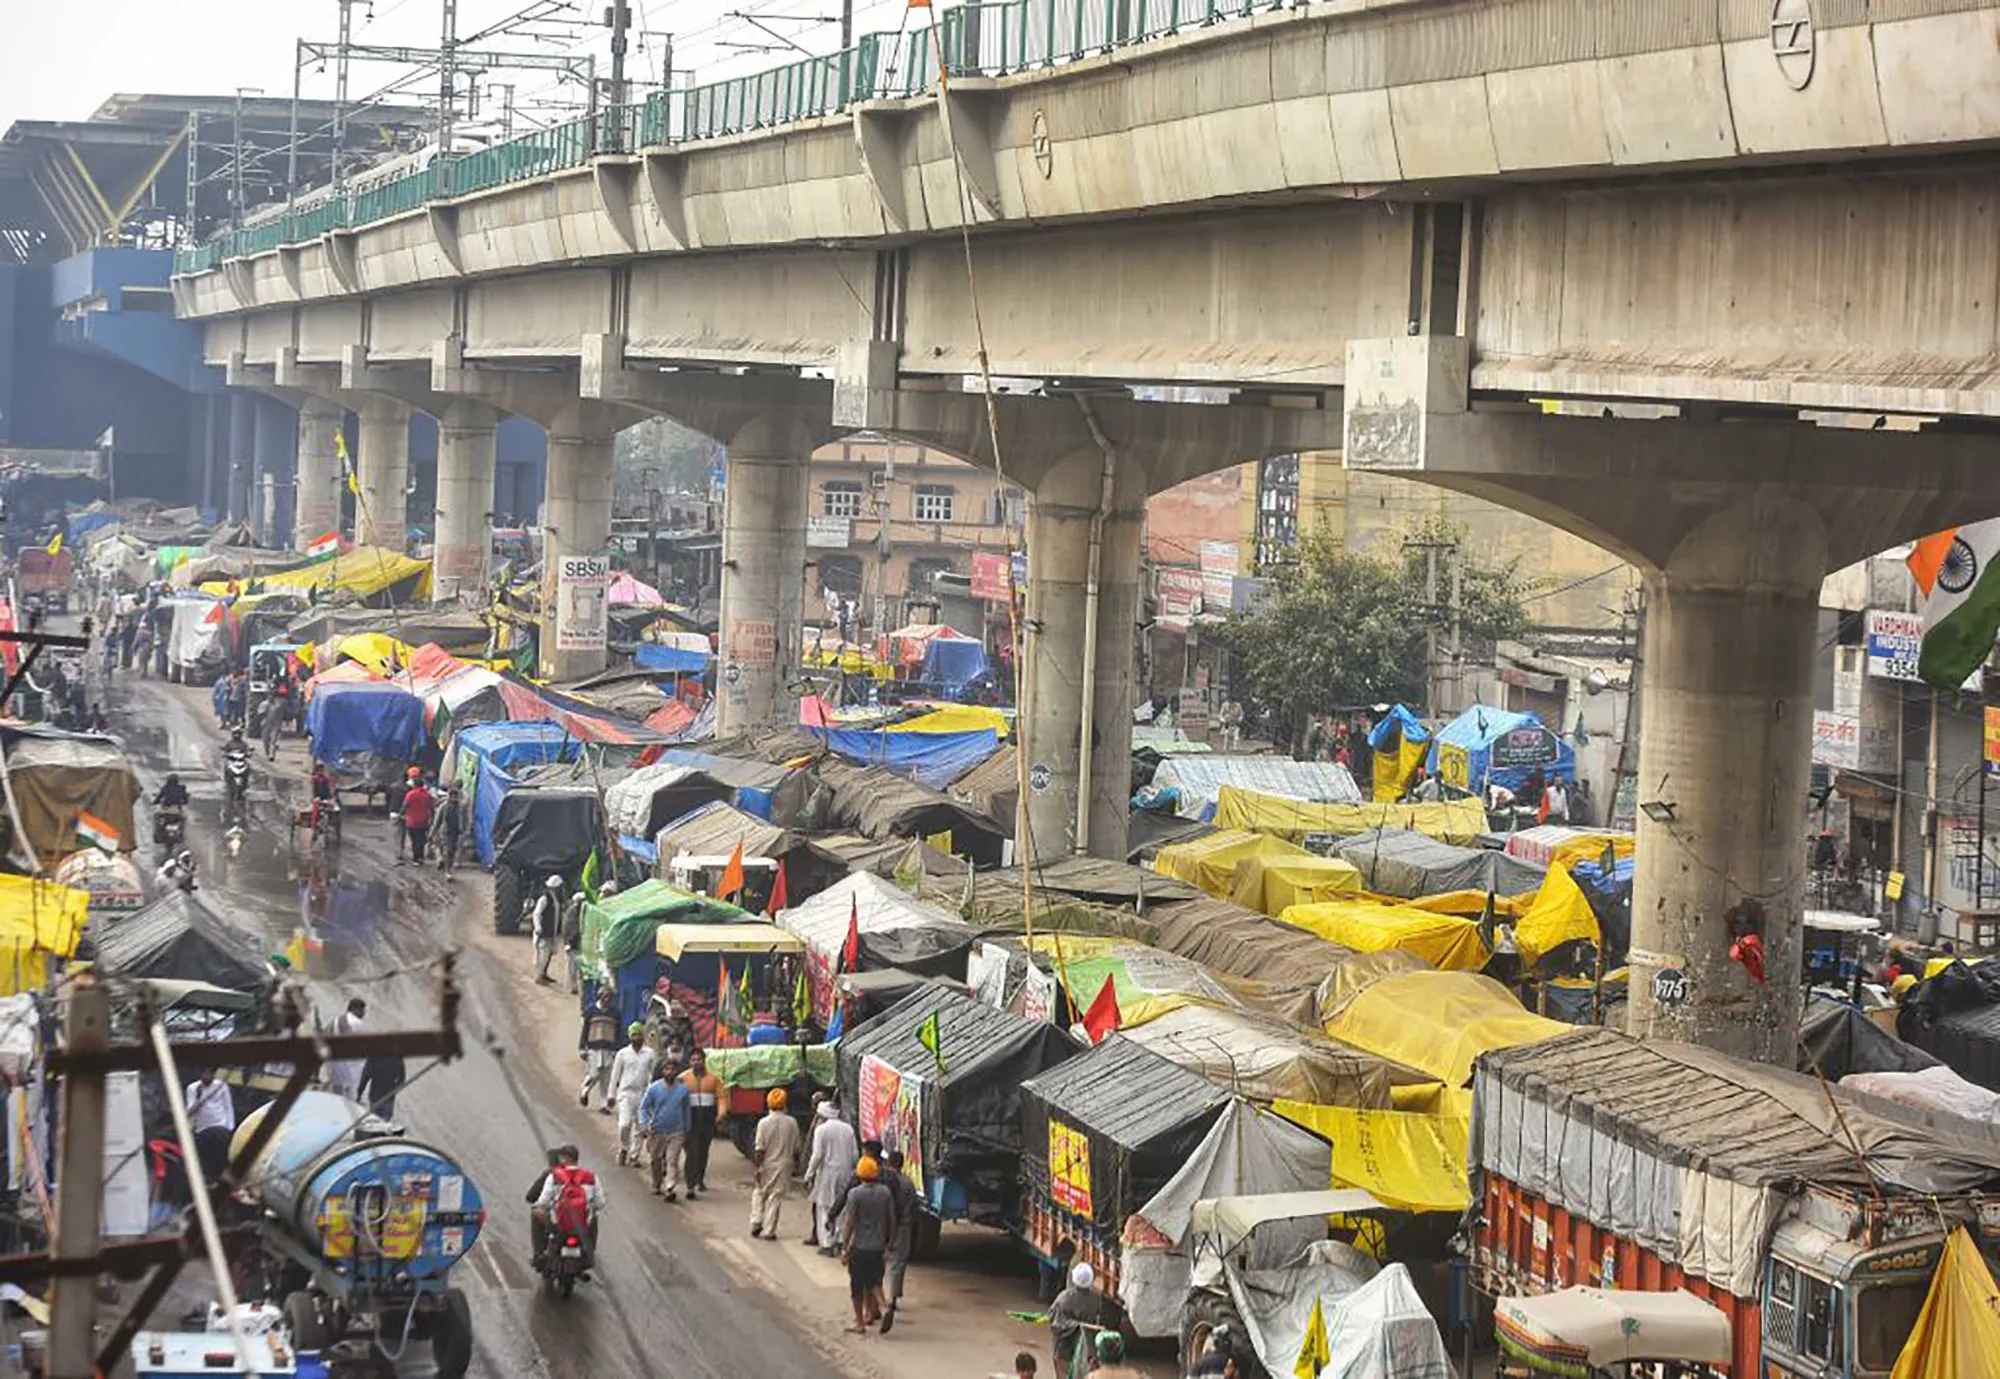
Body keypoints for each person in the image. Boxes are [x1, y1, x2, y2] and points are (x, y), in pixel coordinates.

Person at [840, 1155, 897, 1335]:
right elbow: (892, 1220)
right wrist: (889, 1245)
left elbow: (849, 1222)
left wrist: (844, 1246)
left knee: (857, 1286)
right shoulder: (885, 1193)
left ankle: (859, 1323)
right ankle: (883, 1305)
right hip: (878, 1248)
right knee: (874, 1283)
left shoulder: (855, 1194)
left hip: (859, 1248)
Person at [530, 1144, 602, 1269]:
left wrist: (541, 1206)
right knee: (594, 1217)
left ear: (564, 1159)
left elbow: (543, 1202)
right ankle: (590, 1254)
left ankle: (538, 1254)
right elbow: (600, 1203)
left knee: (535, 1214)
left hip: (558, 1223)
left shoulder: (554, 1176)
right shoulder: (591, 1177)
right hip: (581, 1224)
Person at [805, 1100, 859, 1255]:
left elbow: (817, 1155)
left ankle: (827, 1244)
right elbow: (855, 1154)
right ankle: (840, 1240)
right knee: (841, 1207)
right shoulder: (848, 1129)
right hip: (846, 1172)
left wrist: (809, 1174)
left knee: (824, 1207)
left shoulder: (821, 1130)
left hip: (827, 1173)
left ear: (822, 1115)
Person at [749, 1087, 802, 1240]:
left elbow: (759, 1149)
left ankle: (756, 1220)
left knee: (759, 1192)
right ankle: (769, 1231)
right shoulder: (792, 1122)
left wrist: (757, 1167)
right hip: (785, 1165)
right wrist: (797, 1165)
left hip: (766, 1163)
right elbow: (797, 1147)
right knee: (775, 1197)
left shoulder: (763, 1123)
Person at [637, 1063, 692, 1201]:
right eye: (667, 1069)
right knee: (655, 1159)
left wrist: (687, 1128)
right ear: (662, 1071)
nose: (670, 1072)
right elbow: (643, 1108)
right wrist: (644, 1124)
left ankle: (670, 1187)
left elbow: (686, 1110)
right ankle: (657, 1183)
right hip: (657, 1130)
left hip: (677, 1131)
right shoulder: (654, 1088)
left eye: (673, 1069)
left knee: (672, 1160)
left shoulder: (683, 1090)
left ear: (677, 1071)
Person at [880, 1147, 918, 1331]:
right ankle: (893, 1297)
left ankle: (876, 1297)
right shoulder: (909, 1183)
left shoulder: (884, 1181)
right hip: (903, 1226)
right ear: (902, 1165)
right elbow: (913, 1207)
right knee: (898, 1262)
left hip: (884, 1225)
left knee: (880, 1260)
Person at [678, 1050, 724, 1197]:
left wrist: (721, 1113)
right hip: (690, 1118)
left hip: (707, 1118)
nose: (696, 1062)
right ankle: (690, 1186)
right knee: (692, 1152)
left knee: (703, 1151)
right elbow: (676, 1099)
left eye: (699, 1059)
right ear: (690, 1062)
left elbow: (722, 1097)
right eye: (693, 1060)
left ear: (704, 1061)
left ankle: (700, 1179)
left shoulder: (714, 1079)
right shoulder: (683, 1078)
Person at [608, 1023, 654, 1167]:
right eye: (634, 1035)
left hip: (643, 1093)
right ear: (629, 1036)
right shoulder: (622, 1054)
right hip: (626, 1094)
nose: (637, 1037)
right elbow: (615, 1075)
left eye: (639, 1034)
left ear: (643, 1036)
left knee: (640, 1128)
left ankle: (634, 1156)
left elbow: (653, 1075)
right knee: (624, 1124)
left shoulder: (649, 1054)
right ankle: (624, 1148)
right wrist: (611, 1095)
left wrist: (653, 1096)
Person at [1049, 1262, 1101, 1376]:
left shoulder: (1064, 1297)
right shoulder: (1096, 1299)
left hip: (1064, 1348)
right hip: (1087, 1350)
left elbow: (1055, 1322)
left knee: (1064, 1373)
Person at [184, 1070, 236, 1184]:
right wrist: (199, 1097)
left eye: (210, 1074)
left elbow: (228, 1106)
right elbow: (190, 1111)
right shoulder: (193, 1088)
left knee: (221, 1154)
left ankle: (222, 1175)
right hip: (203, 1129)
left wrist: (230, 1127)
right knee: (206, 1157)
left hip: (220, 1125)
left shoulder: (221, 1086)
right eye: (204, 1074)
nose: (207, 1077)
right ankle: (207, 1180)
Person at [578, 988, 621, 1112]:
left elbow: (618, 1032)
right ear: (599, 996)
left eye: (609, 997)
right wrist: (582, 1047)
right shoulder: (590, 1011)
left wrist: (617, 1048)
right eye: (605, 996)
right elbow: (585, 1030)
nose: (607, 999)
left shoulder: (615, 1013)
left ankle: (604, 1105)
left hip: (609, 1048)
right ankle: (585, 1090)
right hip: (593, 1047)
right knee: (594, 1074)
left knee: (606, 1077)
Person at [328, 998, 366, 1101]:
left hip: (335, 1067)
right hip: (350, 1070)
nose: (364, 1013)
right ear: (356, 1009)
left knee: (336, 1099)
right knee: (348, 1103)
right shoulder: (357, 1023)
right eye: (363, 1010)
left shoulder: (335, 1021)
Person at [530, 876, 563, 984]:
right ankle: (539, 976)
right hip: (544, 933)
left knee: (549, 954)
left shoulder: (555, 899)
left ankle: (544, 974)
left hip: (551, 932)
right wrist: (538, 927)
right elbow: (536, 914)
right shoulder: (544, 899)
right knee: (543, 955)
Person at [357, 1049, 406, 1119]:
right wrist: (394, 1090)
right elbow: (402, 1080)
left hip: (375, 1097)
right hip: (389, 1097)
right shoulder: (398, 1058)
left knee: (375, 1122)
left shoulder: (373, 1057)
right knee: (385, 1123)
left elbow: (364, 1077)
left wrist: (359, 1093)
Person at [560, 884, 589, 993]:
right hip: (573, 944)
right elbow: (567, 929)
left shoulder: (585, 912)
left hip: (582, 944)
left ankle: (581, 986)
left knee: (582, 968)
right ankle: (573, 986)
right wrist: (567, 942)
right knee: (572, 967)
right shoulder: (571, 913)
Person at [401, 774, 435, 864]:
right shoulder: (427, 794)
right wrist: (432, 817)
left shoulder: (410, 794)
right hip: (424, 821)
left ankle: (416, 858)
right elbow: (432, 806)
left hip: (411, 821)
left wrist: (401, 814)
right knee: (422, 839)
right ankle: (421, 856)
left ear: (414, 785)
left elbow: (405, 805)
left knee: (414, 840)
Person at [436, 782, 465, 875]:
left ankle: (448, 866)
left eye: (456, 796)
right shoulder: (443, 807)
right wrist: (432, 833)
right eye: (452, 796)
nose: (454, 798)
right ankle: (447, 871)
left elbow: (464, 819)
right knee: (447, 850)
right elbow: (437, 821)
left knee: (452, 851)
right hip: (445, 832)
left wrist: (464, 829)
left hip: (456, 832)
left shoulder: (460, 807)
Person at [387, 768, 414, 861]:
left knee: (397, 834)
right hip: (405, 813)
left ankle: (398, 853)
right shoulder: (409, 788)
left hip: (394, 812)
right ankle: (402, 851)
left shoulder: (392, 787)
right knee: (403, 834)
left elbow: (388, 798)